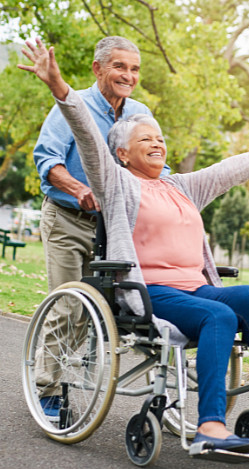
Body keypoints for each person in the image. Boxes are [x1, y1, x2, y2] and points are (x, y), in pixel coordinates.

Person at [20, 39, 249, 453]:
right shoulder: (117, 184)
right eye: (144, 140)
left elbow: (229, 170)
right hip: (151, 291)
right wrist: (60, 87)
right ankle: (210, 427)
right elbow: (84, 133)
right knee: (218, 317)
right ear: (121, 153)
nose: (156, 144)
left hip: (194, 287)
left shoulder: (181, 185)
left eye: (160, 139)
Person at [32, 36, 169, 411]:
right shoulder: (73, 104)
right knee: (69, 307)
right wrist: (79, 188)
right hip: (69, 220)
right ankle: (45, 389)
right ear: (98, 69)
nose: (128, 75)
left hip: (116, 229)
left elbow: (154, 162)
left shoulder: (139, 112)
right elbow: (47, 160)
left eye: (135, 69)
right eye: (120, 66)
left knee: (121, 311)